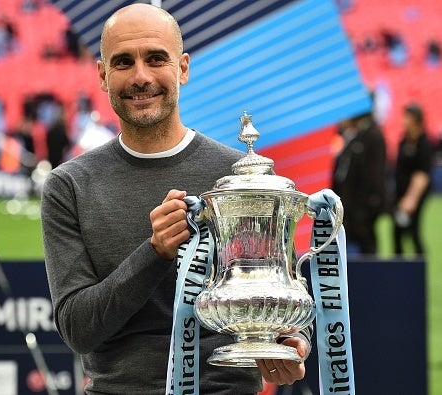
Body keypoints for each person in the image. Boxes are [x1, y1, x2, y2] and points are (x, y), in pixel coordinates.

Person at [41, 5, 310, 394]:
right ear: (102, 74)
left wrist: (288, 340)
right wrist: (153, 253)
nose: (141, 77)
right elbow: (78, 329)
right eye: (123, 62)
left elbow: (280, 288)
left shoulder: (239, 177)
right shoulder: (69, 186)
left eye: (155, 59)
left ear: (183, 67)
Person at [332, 112, 387, 255]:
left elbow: (374, 173)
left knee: (365, 243)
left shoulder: (372, 136)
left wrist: (370, 202)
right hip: (350, 204)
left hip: (362, 205)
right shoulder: (352, 136)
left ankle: (371, 274)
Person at [393, 103, 433, 255]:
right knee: (397, 233)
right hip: (400, 193)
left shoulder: (424, 144)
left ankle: (420, 271)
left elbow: (422, 175)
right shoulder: (404, 141)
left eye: (407, 117)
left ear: (416, 120)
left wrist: (411, 199)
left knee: (414, 232)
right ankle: (399, 269)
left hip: (414, 196)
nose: (403, 120)